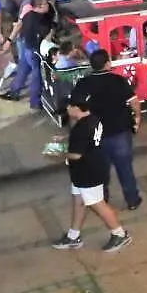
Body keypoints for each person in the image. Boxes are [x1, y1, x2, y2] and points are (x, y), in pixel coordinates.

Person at [51, 97, 132, 252]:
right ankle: (73, 236)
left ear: (74, 107)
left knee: (97, 204)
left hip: (88, 172)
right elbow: (86, 139)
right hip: (89, 169)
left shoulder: (81, 127)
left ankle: (120, 234)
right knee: (78, 200)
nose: (66, 114)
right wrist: (67, 138)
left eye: (67, 110)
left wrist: (56, 152)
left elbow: (76, 154)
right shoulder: (93, 119)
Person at [71, 50, 143, 211]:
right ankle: (132, 200)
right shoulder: (118, 81)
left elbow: (72, 109)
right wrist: (137, 119)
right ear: (108, 63)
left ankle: (102, 201)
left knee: (101, 171)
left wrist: (83, 119)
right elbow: (134, 102)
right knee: (125, 169)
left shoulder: (84, 84)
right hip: (120, 133)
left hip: (95, 136)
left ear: (91, 65)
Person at [0, 0, 52, 110]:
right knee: (36, 75)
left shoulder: (28, 14)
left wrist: (10, 40)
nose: (48, 5)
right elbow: (45, 35)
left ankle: (14, 91)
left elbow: (20, 25)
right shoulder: (40, 20)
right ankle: (35, 101)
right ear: (39, 7)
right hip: (34, 49)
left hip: (26, 47)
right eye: (46, 4)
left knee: (23, 69)